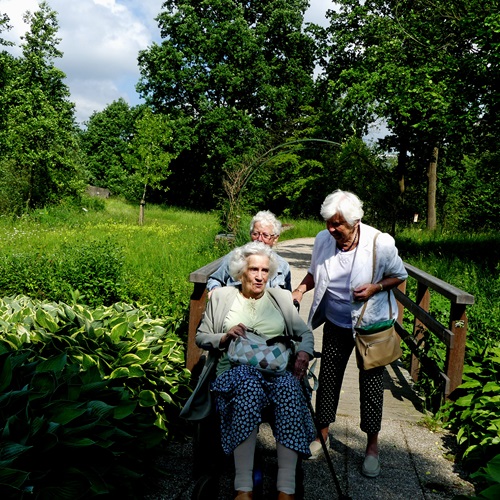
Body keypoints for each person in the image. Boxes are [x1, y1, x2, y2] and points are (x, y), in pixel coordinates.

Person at [182, 241, 315, 500]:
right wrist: (223, 337)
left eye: (265, 271)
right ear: (241, 272)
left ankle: (285, 489)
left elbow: (305, 333)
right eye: (254, 269)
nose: (259, 276)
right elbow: (201, 337)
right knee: (248, 385)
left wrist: (303, 352)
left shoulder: (281, 298)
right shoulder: (222, 297)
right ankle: (243, 488)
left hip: (275, 372)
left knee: (289, 388)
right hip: (233, 371)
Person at [291, 190, 408, 478]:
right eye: (329, 223)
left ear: (355, 222)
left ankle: (371, 446)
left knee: (370, 386)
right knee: (329, 378)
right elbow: (314, 271)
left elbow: (400, 275)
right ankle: (322, 433)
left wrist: (374, 288)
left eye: (338, 224)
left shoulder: (380, 243)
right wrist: (300, 288)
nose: (332, 230)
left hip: (370, 326)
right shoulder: (322, 240)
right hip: (335, 322)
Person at [207, 210, 291, 296]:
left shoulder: (282, 265)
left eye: (265, 235)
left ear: (275, 238)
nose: (259, 239)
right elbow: (215, 279)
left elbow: (287, 296)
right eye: (255, 234)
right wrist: (215, 291)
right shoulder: (236, 256)